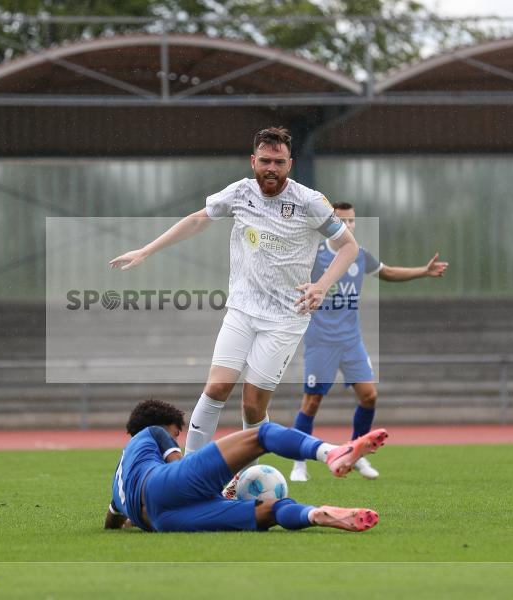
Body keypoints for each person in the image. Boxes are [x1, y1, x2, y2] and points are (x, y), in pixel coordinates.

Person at [110, 127, 359, 455]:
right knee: (216, 388)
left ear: (290, 164)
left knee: (253, 406)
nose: (272, 168)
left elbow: (349, 246)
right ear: (253, 161)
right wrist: (146, 250)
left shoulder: (310, 202)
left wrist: (322, 285)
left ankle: (247, 477)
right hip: (242, 309)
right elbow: (198, 220)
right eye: (265, 161)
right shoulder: (240, 192)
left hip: (286, 317)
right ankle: (190, 472)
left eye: (279, 162)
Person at [290, 202, 448, 483]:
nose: (348, 226)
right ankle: (298, 463)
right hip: (321, 341)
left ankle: (356, 453)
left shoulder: (360, 255)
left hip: (351, 341)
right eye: (342, 221)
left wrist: (423, 271)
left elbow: (388, 273)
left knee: (369, 396)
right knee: (311, 402)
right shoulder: (314, 255)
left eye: (351, 221)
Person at [105, 399, 388, 533]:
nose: (176, 439)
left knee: (270, 512)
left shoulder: (119, 480)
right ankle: (331, 453)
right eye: (176, 433)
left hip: (164, 522)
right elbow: (179, 469)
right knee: (262, 435)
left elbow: (112, 520)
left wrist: (130, 521)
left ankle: (316, 515)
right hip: (162, 486)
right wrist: (212, 481)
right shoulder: (153, 433)